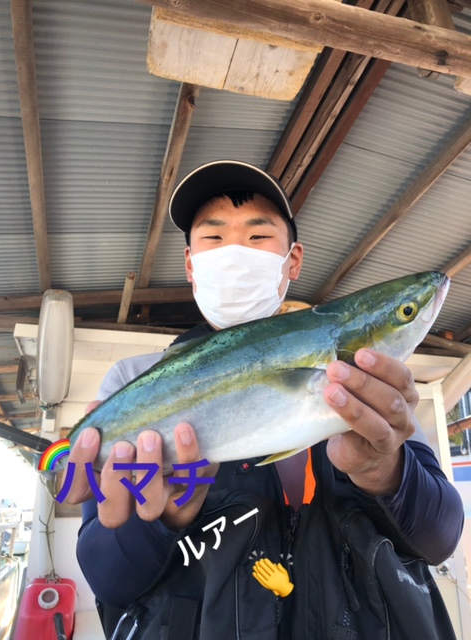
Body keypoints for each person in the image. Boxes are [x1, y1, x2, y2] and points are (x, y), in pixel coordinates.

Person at [66, 160, 464, 639]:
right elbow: (108, 579)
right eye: (214, 237)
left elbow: (440, 538)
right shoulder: (133, 381)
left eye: (257, 237)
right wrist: (163, 519)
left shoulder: (377, 387)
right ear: (190, 263)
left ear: (292, 260)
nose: (234, 253)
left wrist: (383, 470)